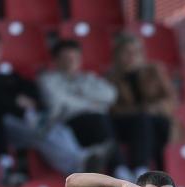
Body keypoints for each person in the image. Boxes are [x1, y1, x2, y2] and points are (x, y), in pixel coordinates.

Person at [0, 29, 86, 178]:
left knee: (60, 129)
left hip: (24, 121)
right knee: (42, 132)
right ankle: (80, 167)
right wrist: (15, 101)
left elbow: (32, 93)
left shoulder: (9, 75)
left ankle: (82, 161)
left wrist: (28, 102)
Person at [40, 40, 130, 178]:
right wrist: (90, 103)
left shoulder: (87, 78)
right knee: (99, 121)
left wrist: (80, 90)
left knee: (136, 122)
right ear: (56, 60)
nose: (71, 62)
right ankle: (118, 170)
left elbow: (110, 95)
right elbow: (58, 103)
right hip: (69, 122)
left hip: (97, 121)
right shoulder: (48, 80)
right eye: (66, 58)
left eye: (74, 58)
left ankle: (130, 169)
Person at [106, 33, 178, 173]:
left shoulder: (154, 70)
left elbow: (170, 99)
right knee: (142, 120)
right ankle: (140, 168)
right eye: (126, 52)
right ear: (117, 55)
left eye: (135, 52)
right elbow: (112, 108)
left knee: (163, 125)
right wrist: (141, 110)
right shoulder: (111, 77)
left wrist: (154, 108)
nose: (131, 56)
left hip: (155, 118)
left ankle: (164, 172)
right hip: (126, 123)